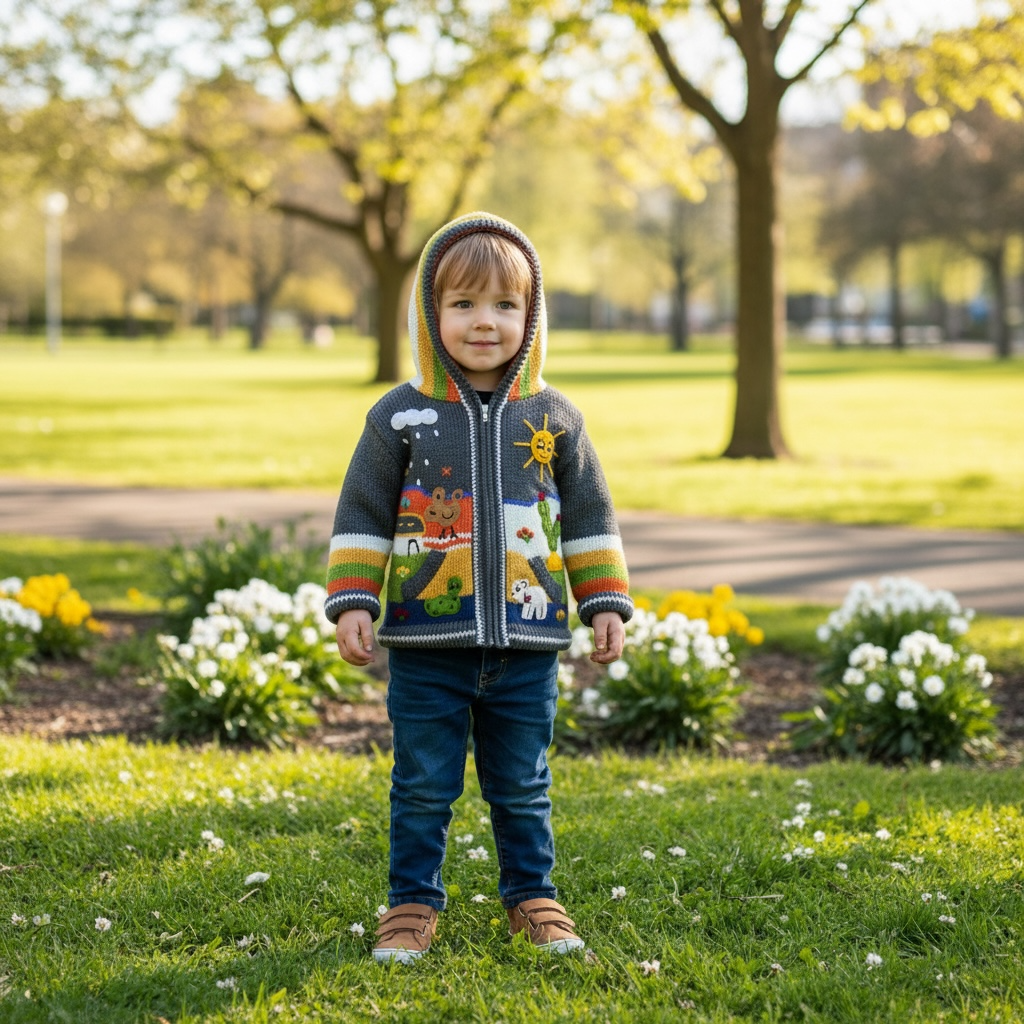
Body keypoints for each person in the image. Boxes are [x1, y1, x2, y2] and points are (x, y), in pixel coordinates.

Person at [326, 211, 633, 963]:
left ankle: (533, 897)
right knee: (423, 786)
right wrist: (354, 599)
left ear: (532, 317)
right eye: (463, 305)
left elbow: (590, 513)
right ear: (431, 316)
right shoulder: (400, 416)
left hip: (527, 647)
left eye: (505, 305)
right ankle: (410, 905)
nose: (485, 323)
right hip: (428, 647)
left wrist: (604, 601)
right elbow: (361, 510)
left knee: (522, 785)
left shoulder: (555, 417)